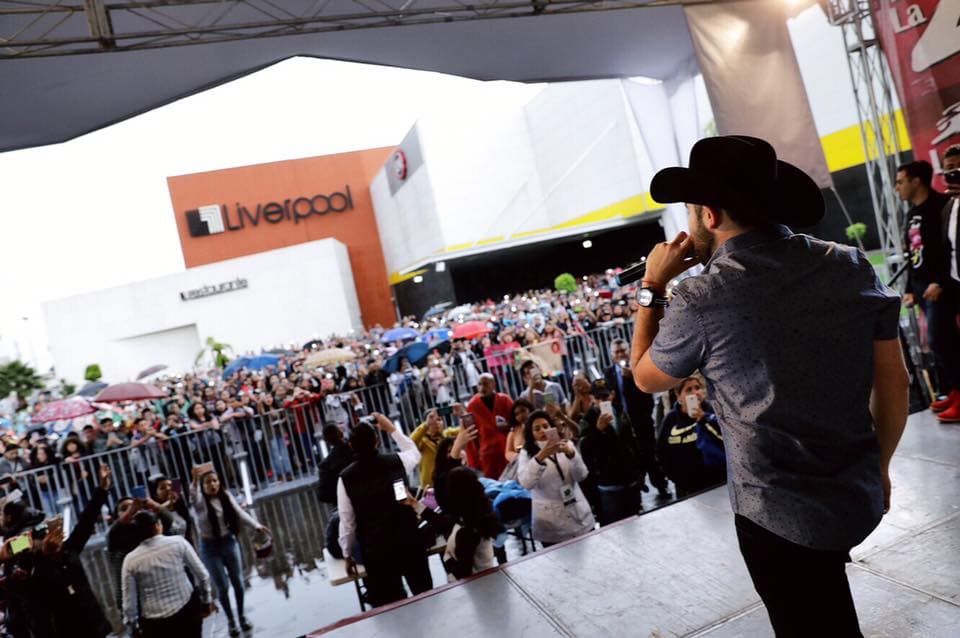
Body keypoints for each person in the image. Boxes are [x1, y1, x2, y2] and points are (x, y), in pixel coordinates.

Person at [631, 135, 909, 637]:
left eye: (691, 211)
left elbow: (646, 377)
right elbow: (895, 383)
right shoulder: (848, 264)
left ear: (709, 216)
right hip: (855, 492)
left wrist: (653, 288)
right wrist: (881, 467)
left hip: (776, 514)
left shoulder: (701, 297)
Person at [1, 464, 114, 638]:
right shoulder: (22, 553)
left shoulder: (67, 550)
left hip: (90, 625)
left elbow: (87, 520)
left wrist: (102, 489)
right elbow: (26, 585)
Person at [337, 413, 432, 607]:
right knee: (426, 599)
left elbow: (347, 522)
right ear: (377, 441)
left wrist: (347, 554)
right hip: (409, 541)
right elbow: (413, 451)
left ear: (351, 446)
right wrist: (392, 428)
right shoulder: (397, 461)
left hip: (376, 550)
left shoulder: (345, 478)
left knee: (393, 611)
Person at [191, 466, 269, 636]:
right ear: (202, 486)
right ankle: (231, 621)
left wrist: (256, 525)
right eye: (208, 482)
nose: (212, 485)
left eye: (215, 481)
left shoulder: (225, 496)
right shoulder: (199, 502)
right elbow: (193, 494)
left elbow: (239, 512)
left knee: (238, 583)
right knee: (222, 587)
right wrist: (195, 479)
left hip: (228, 542)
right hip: (209, 547)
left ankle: (241, 616)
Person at [121, 510, 215, 638]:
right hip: (187, 609)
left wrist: (133, 627)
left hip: (155, 623)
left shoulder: (130, 560)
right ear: (158, 525)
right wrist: (206, 601)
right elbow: (203, 575)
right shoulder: (178, 543)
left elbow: (129, 603)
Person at [401, 466, 503, 581]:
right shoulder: (475, 515)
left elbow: (462, 572)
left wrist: (447, 558)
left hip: (477, 588)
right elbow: (442, 522)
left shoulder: (467, 532)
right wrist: (414, 504)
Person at [516, 410, 595, 546]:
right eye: (537, 428)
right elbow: (526, 483)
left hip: (579, 513)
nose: (543, 431)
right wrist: (541, 456)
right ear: (531, 433)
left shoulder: (566, 444)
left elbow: (582, 475)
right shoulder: (526, 453)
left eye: (546, 426)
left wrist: (571, 455)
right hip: (551, 521)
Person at [605, 339, 670, 499]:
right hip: (622, 422)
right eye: (617, 352)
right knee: (631, 457)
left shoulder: (637, 367)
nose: (620, 354)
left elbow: (647, 393)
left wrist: (632, 378)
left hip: (642, 417)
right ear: (612, 355)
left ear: (629, 350)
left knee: (649, 452)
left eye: (623, 350)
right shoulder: (609, 372)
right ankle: (638, 490)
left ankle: (661, 485)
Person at [579, 380, 645, 526]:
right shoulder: (588, 419)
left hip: (630, 479)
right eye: (598, 398)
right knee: (613, 526)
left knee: (637, 522)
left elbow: (632, 441)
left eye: (605, 397)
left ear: (612, 395)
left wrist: (640, 471)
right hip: (607, 483)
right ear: (592, 399)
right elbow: (585, 450)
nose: (603, 401)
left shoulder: (620, 412)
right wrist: (598, 430)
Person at [656, 375, 726, 497]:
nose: (695, 393)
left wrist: (703, 419)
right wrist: (676, 479)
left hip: (716, 484)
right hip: (686, 489)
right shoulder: (671, 419)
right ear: (679, 397)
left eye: (697, 388)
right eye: (689, 390)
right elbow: (662, 451)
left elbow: (724, 442)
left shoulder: (713, 411)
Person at [930, 145, 960, 422]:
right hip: (954, 283)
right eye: (948, 170)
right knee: (942, 339)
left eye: (958, 170)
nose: (952, 176)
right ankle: (956, 390)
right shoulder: (947, 206)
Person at [465, 373, 514, 479]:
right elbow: (470, 434)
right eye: (480, 384)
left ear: (493, 385)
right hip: (487, 455)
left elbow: (516, 423)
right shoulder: (472, 406)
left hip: (507, 450)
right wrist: (474, 461)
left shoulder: (505, 400)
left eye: (486, 384)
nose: (482, 388)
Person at [409, 407, 459, 489]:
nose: (437, 423)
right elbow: (410, 442)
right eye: (432, 420)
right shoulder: (422, 440)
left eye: (439, 419)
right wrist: (425, 425)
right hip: (431, 485)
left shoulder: (447, 434)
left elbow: (466, 429)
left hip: (449, 480)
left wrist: (462, 413)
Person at [317, 425, 354, 507]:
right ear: (341, 433)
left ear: (326, 440)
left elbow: (323, 495)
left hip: (344, 506)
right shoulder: (359, 451)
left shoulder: (326, 465)